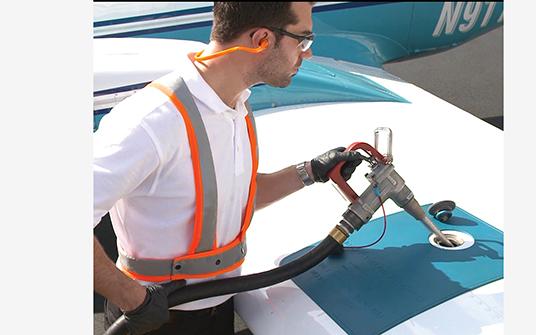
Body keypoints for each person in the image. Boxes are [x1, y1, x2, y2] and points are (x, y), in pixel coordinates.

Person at [94, 2, 364, 334]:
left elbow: (235, 197)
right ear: (262, 39)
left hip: (217, 309)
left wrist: (311, 171)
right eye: (303, 40)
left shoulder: (235, 104)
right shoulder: (152, 121)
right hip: (155, 322)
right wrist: (133, 300)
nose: (306, 54)